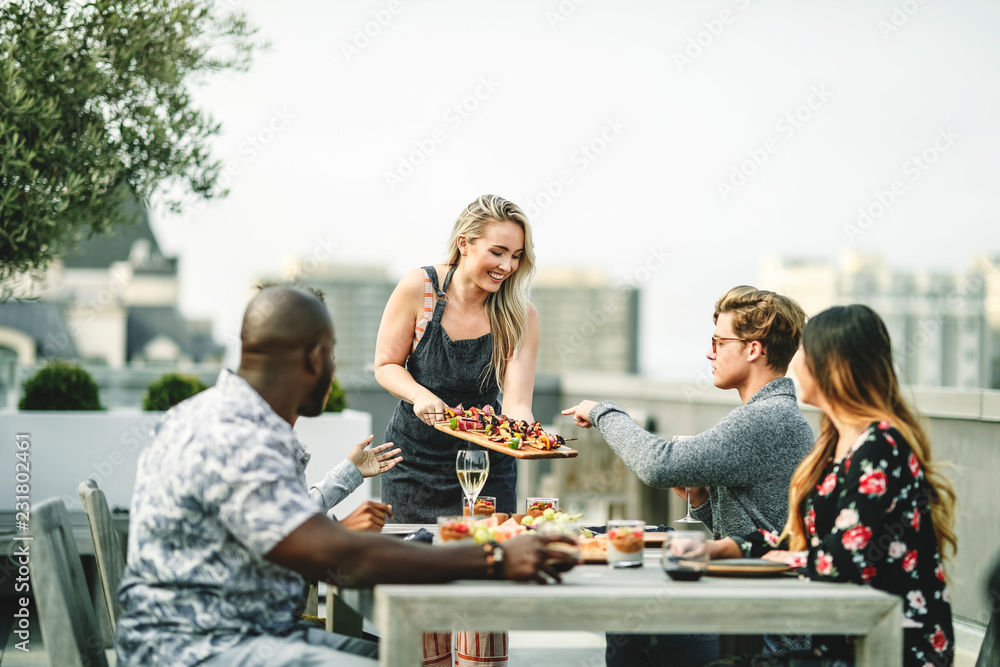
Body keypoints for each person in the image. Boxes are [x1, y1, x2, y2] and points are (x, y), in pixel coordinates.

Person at [115, 285, 574, 667]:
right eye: (332, 356)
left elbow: (319, 554)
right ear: (316, 358)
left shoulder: (217, 416)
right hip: (196, 649)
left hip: (241, 632)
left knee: (408, 659)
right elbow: (339, 561)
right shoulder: (235, 435)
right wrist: (492, 560)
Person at [562, 285, 815, 666]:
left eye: (718, 341)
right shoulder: (773, 413)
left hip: (765, 628)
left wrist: (603, 412)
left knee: (632, 623)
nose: (709, 353)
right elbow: (759, 527)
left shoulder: (768, 418)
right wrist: (700, 500)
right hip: (751, 604)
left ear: (753, 349)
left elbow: (657, 465)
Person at [708, 304, 958, 666]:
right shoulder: (833, 446)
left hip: (889, 650)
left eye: (803, 355)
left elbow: (843, 560)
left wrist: (776, 557)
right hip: (846, 642)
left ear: (832, 365)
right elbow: (803, 544)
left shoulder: (880, 447)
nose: (794, 366)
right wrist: (731, 548)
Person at [374, 194, 539, 666]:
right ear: (464, 244)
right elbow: (386, 365)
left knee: (483, 594)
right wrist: (421, 395)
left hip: (487, 468)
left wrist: (528, 433)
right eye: (497, 251)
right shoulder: (420, 289)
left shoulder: (520, 314)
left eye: (516, 256)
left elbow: (517, 401)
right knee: (423, 597)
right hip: (414, 466)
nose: (507, 265)